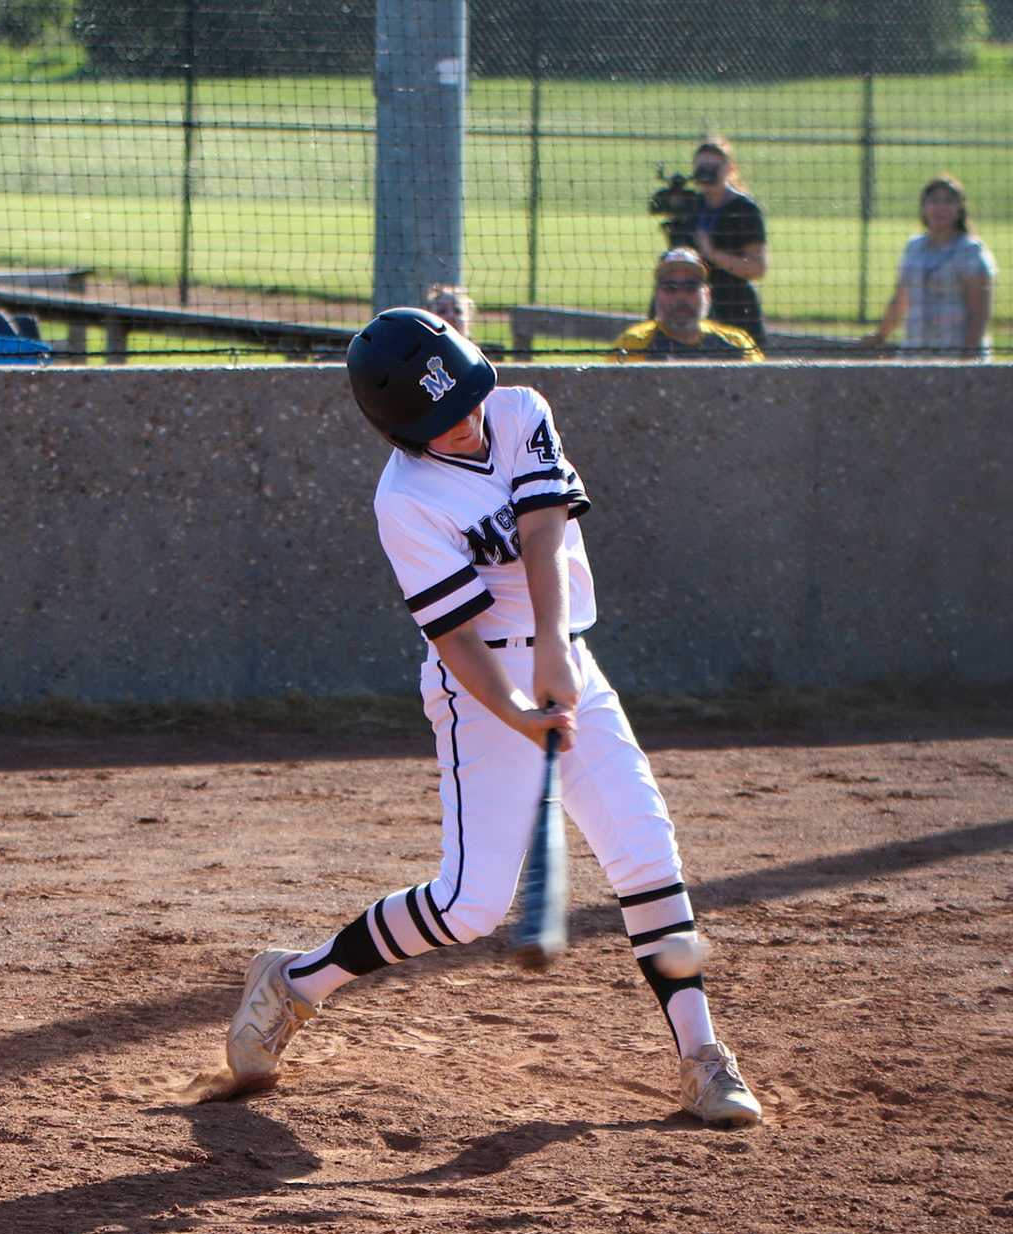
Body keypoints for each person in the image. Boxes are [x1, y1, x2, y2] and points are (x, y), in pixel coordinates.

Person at [224, 308, 763, 1130]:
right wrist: (516, 711)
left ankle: (704, 1059)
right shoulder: (405, 499)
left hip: (564, 656)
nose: (467, 419)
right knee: (469, 906)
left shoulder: (517, 411)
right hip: (476, 688)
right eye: (442, 416)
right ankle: (294, 982)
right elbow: (455, 638)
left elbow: (545, 533)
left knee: (647, 853)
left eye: (467, 396)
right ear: (400, 430)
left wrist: (553, 652)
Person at [864, 175, 997, 360]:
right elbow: (900, 300)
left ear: (959, 209)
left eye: (948, 201)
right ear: (924, 207)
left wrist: (967, 359)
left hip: (954, 354)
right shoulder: (914, 247)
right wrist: (880, 335)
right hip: (914, 355)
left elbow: (979, 313)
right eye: (934, 200)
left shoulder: (970, 251)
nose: (940, 207)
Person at [661, 138, 768, 346]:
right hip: (695, 309)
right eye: (701, 167)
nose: (706, 173)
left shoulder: (745, 210)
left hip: (736, 309)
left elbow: (757, 268)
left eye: (713, 167)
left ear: (729, 169)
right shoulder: (693, 205)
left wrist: (712, 253)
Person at [611, 250, 763, 361]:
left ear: (707, 294)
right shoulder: (633, 344)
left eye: (691, 287)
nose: (680, 296)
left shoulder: (737, 343)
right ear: (657, 295)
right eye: (670, 288)